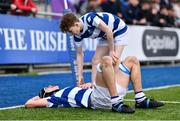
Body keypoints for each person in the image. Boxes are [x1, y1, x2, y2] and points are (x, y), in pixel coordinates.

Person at [25, 56, 164, 113]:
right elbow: (29, 104)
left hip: (105, 94)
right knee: (105, 60)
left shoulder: (67, 91)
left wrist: (91, 84)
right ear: (46, 93)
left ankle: (140, 99)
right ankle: (116, 104)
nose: (50, 85)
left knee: (132, 60)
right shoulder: (53, 98)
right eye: (47, 87)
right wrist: (37, 98)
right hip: (100, 100)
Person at [60, 12, 128, 86]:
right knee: (95, 60)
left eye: (70, 31)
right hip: (105, 35)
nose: (71, 34)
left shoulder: (90, 19)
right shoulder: (77, 35)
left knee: (114, 59)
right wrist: (80, 76)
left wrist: (111, 51)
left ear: (76, 24)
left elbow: (108, 31)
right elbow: (79, 54)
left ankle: (113, 87)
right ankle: (94, 86)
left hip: (119, 29)